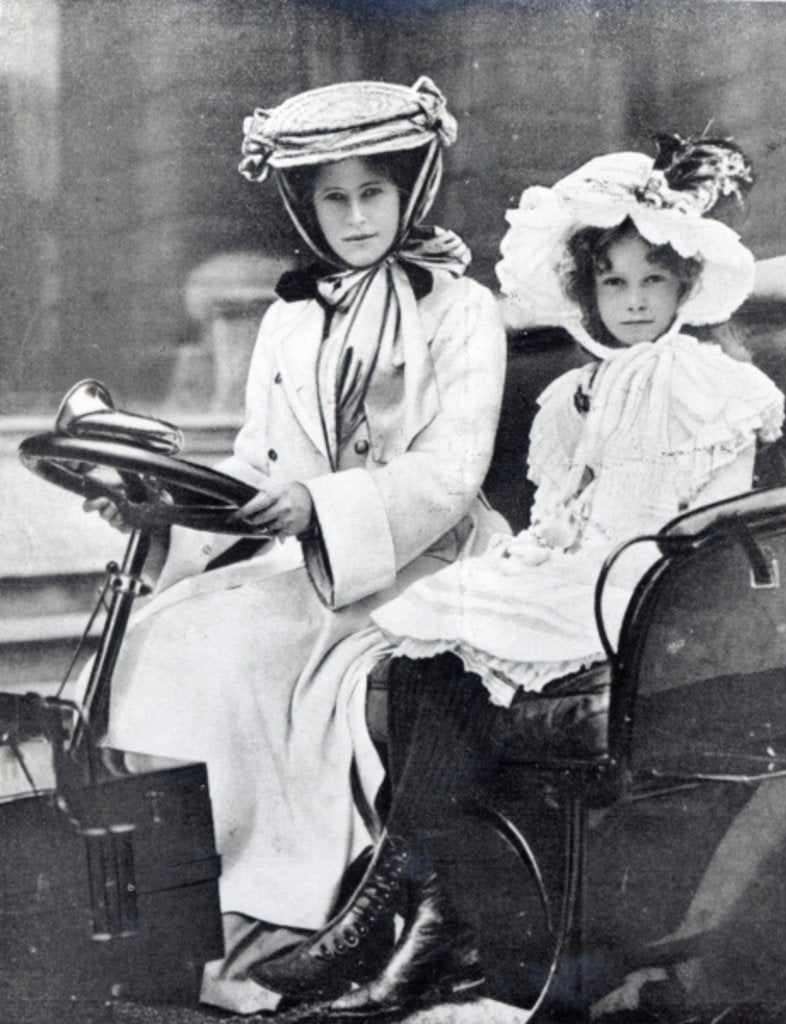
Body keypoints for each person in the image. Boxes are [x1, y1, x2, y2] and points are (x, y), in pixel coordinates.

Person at [259, 135, 785, 1019]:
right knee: (429, 637)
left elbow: (703, 518)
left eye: (652, 282)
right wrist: (542, 549)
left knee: (465, 634)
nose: (632, 302)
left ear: (684, 286)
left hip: (660, 587)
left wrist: (603, 558)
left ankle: (387, 919)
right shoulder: (582, 390)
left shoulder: (705, 380)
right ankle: (422, 913)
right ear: (588, 291)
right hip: (585, 566)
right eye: (613, 284)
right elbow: (566, 511)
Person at [85, 76, 507, 1014]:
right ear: (305, 207)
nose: (356, 217)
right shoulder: (288, 317)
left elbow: (449, 472)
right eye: (333, 198)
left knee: (232, 657)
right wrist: (171, 510)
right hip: (306, 558)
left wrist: (320, 507)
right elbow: (255, 459)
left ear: (409, 192)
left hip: (423, 559)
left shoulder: (461, 310)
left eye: (373, 193)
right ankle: (195, 928)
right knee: (165, 635)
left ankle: (286, 926)